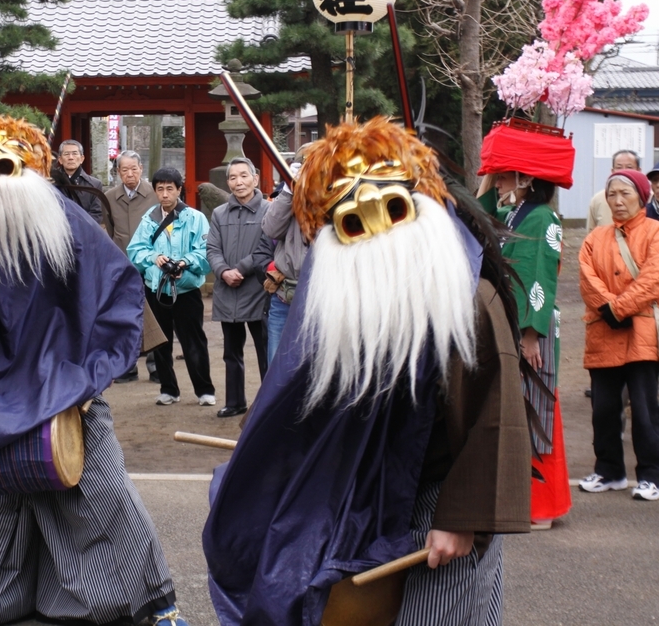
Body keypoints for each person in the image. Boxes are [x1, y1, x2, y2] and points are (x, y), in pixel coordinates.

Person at [204, 118, 531, 626]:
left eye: (393, 209)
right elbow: (298, 389)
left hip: (436, 497)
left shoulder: (466, 299)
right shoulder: (339, 299)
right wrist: (261, 444)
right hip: (355, 491)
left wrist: (464, 518)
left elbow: (496, 416)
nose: (380, 230)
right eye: (356, 223)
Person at [0, 116, 188, 626]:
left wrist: (91, 374)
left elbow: (116, 288)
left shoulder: (68, 224)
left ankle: (157, 605)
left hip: (64, 385)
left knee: (103, 494)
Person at [476, 120, 572, 530]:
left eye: (503, 175)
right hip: (511, 323)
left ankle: (543, 505)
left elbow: (541, 277)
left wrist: (531, 334)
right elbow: (477, 216)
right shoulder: (512, 213)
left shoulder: (542, 218)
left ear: (526, 179)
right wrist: (487, 174)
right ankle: (522, 499)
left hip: (532, 327)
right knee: (517, 408)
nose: (497, 182)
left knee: (536, 409)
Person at [578, 169, 659, 502]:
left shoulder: (655, 232)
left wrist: (617, 308)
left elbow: (653, 279)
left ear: (642, 196)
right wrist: (609, 309)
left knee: (645, 410)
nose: (618, 200)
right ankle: (609, 471)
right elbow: (586, 278)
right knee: (604, 408)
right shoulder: (595, 237)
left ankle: (651, 475)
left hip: (641, 334)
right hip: (603, 331)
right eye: (612, 194)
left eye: (625, 193)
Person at [128, 167, 215, 407]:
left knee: (194, 341)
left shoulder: (195, 218)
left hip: (186, 289)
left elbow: (205, 251)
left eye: (169, 189)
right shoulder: (149, 219)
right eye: (160, 189)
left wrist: (185, 262)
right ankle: (168, 389)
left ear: (179, 190)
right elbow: (135, 251)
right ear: (155, 191)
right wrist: (154, 258)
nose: (165, 194)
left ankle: (204, 390)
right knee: (160, 341)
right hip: (156, 288)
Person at [206, 157, 272, 418]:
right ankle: (235, 402)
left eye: (244, 176)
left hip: (258, 289)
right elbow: (212, 249)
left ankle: (268, 404)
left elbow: (267, 247)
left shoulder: (269, 211)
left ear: (255, 179)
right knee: (231, 352)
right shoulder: (219, 213)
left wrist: (241, 269)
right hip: (227, 290)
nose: (238, 182)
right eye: (233, 177)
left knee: (265, 350)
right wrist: (223, 271)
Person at [105, 150, 157, 383]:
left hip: (152, 263)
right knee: (126, 315)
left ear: (141, 169)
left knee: (155, 315)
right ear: (118, 172)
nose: (129, 174)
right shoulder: (109, 197)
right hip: (123, 264)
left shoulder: (154, 194)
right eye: (124, 170)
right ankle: (128, 365)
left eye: (134, 169)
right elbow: (110, 228)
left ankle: (157, 365)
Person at [262, 144, 311, 364]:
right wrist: (290, 189)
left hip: (321, 296)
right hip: (285, 296)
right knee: (277, 364)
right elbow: (271, 229)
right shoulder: (287, 196)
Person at [51, 139, 104, 225]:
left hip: (85, 230)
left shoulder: (94, 184)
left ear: (82, 159)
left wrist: (79, 227)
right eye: (66, 154)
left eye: (75, 153)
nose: (71, 157)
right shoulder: (51, 182)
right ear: (60, 159)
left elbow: (96, 214)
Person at [587, 149, 641, 229]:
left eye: (629, 167)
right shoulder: (598, 199)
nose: (624, 171)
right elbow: (591, 233)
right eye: (619, 167)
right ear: (612, 171)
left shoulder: (649, 197)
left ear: (638, 171)